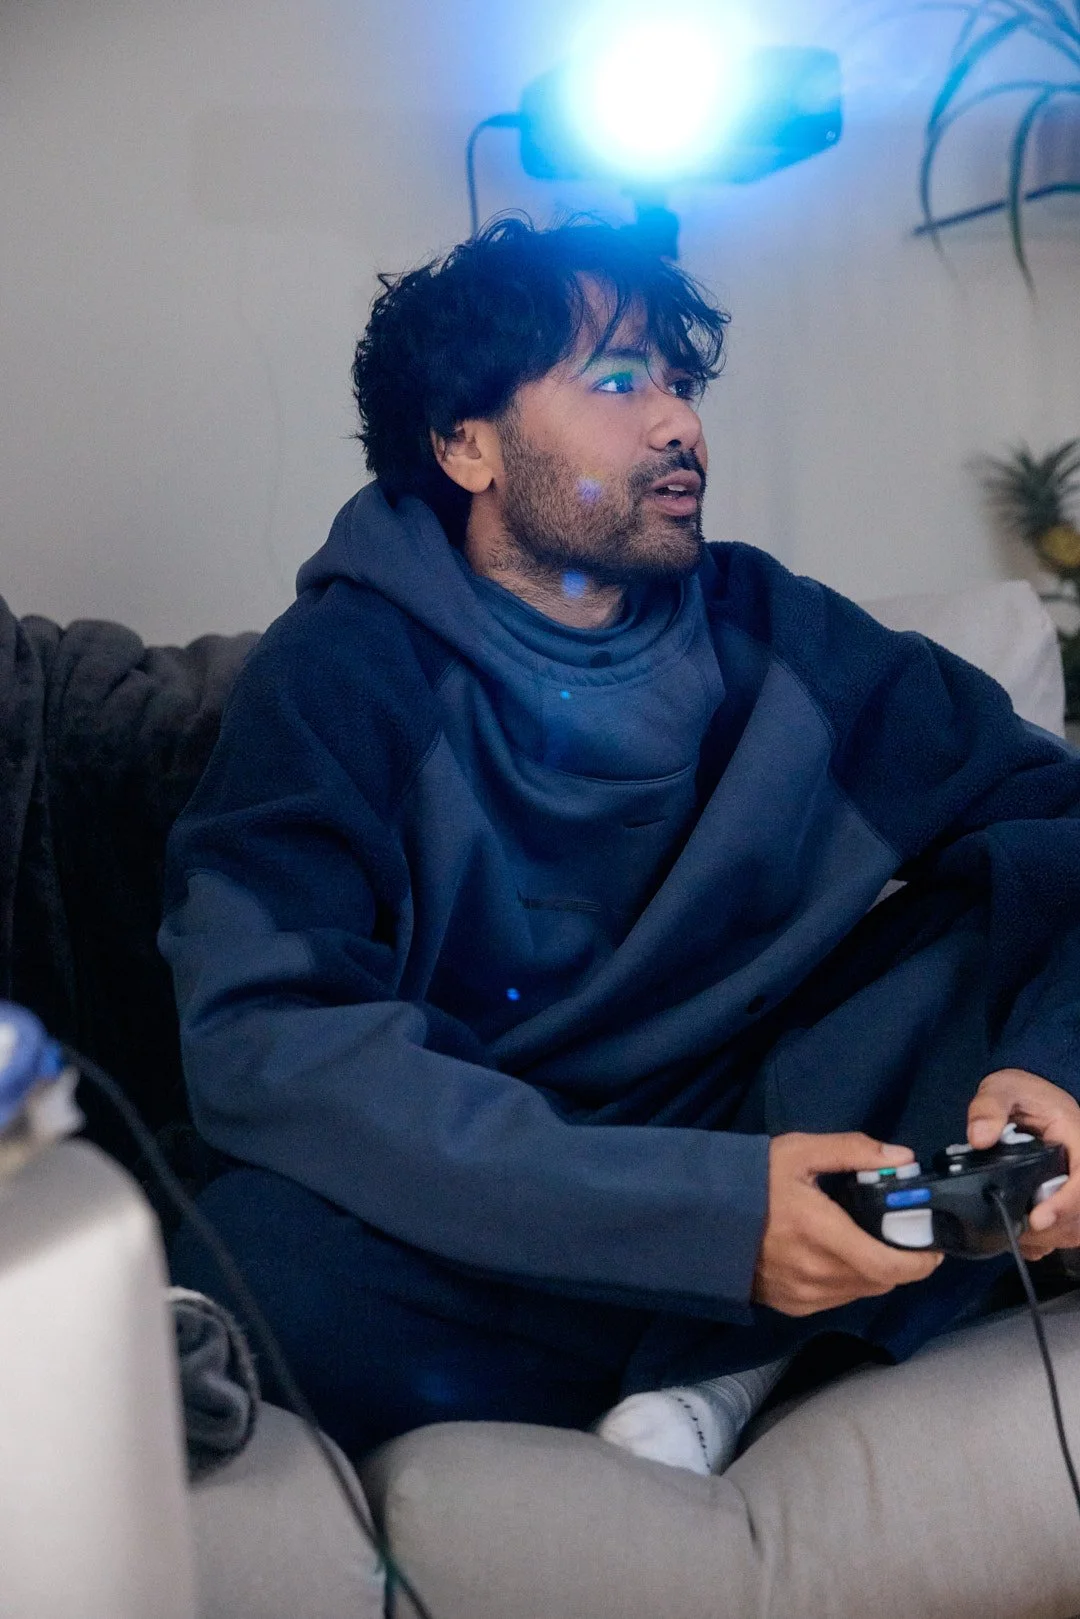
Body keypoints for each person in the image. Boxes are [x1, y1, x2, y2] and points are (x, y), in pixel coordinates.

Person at [162, 217, 1080, 1475]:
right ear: (466, 444)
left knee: (1006, 922)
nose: (677, 423)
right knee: (250, 1260)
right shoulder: (339, 676)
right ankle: (753, 1338)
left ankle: (729, 1350)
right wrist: (708, 1224)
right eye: (615, 381)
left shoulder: (779, 633)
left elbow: (1056, 821)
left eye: (680, 381)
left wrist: (1055, 1067)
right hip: (512, 1184)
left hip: (768, 1115)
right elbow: (267, 1039)